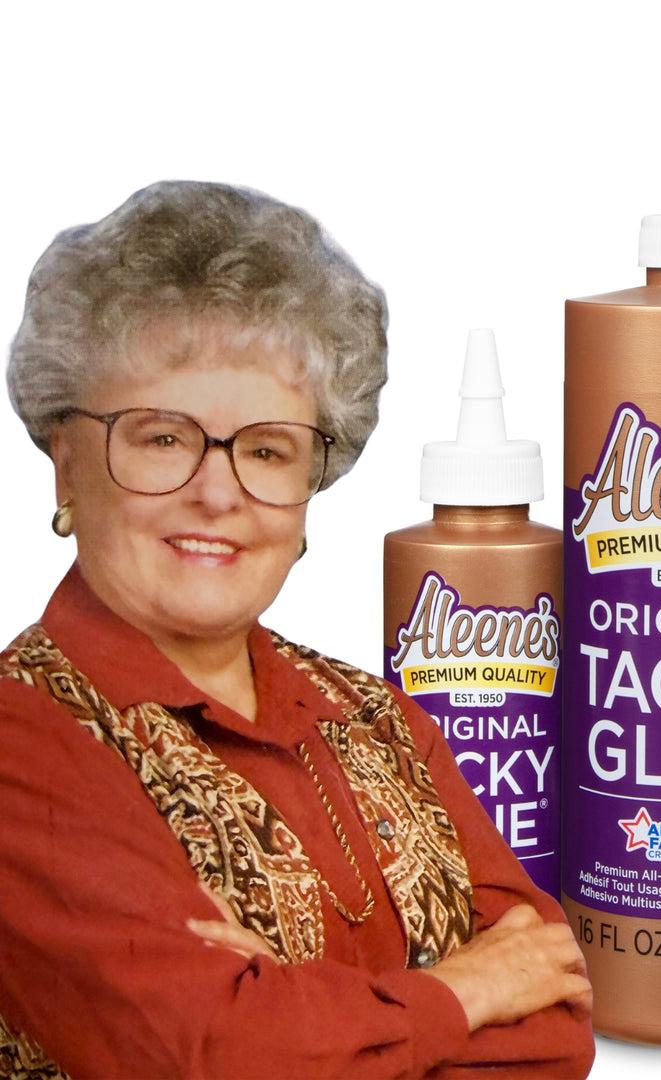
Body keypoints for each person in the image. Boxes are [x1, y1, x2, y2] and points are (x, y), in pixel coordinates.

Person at [0, 181, 593, 1080]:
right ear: (63, 466)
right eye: (163, 438)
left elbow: (556, 1020)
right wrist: (464, 992)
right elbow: (209, 1058)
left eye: (268, 448)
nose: (218, 490)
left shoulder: (379, 717)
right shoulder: (25, 742)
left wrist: (288, 1010)